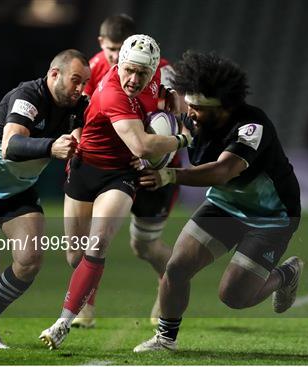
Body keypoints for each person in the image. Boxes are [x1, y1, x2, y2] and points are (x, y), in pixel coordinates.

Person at [133, 51, 304, 352]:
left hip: (271, 216)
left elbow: (224, 171)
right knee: (177, 267)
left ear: (222, 108)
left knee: (234, 297)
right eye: (189, 104)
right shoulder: (195, 119)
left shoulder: (252, 125)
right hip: (225, 205)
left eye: (197, 107)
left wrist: (170, 175)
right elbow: (169, 122)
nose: (191, 112)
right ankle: (165, 340)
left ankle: (285, 275)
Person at [39, 34, 190, 350]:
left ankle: (63, 322)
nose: (134, 79)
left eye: (142, 74)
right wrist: (183, 139)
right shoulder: (110, 92)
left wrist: (175, 96)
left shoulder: (157, 75)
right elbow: (142, 145)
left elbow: (169, 86)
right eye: (129, 71)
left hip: (120, 176)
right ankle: (85, 304)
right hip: (86, 168)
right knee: (75, 256)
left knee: (98, 246)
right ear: (119, 64)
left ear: (153, 71)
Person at [0, 49, 91, 349]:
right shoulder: (28, 96)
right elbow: (10, 146)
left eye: (85, 83)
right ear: (54, 74)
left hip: (19, 191)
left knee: (30, 260)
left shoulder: (78, 105)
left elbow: (80, 138)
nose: (80, 89)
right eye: (75, 81)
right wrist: (51, 146)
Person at [69, 13, 182, 329]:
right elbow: (82, 116)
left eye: (123, 49)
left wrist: (160, 150)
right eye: (112, 51)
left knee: (143, 246)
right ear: (101, 45)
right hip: (114, 169)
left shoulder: (161, 70)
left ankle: (169, 281)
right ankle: (85, 308)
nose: (118, 59)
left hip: (156, 172)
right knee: (90, 239)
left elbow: (181, 115)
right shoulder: (94, 71)